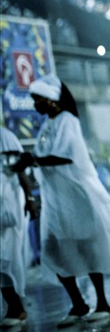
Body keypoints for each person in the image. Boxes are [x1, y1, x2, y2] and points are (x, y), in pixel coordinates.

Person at [10, 75, 110, 328]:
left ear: (51, 100)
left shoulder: (68, 121)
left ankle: (103, 304)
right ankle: (78, 303)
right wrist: (30, 160)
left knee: (87, 248)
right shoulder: (47, 125)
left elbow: (63, 157)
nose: (35, 105)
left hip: (76, 196)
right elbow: (45, 157)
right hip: (56, 200)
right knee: (54, 250)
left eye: (38, 99)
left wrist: (30, 160)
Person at [1, 123, 37, 328]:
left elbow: (20, 170)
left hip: (6, 208)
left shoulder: (5, 136)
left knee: (7, 259)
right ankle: (13, 307)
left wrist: (30, 199)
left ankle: (16, 307)